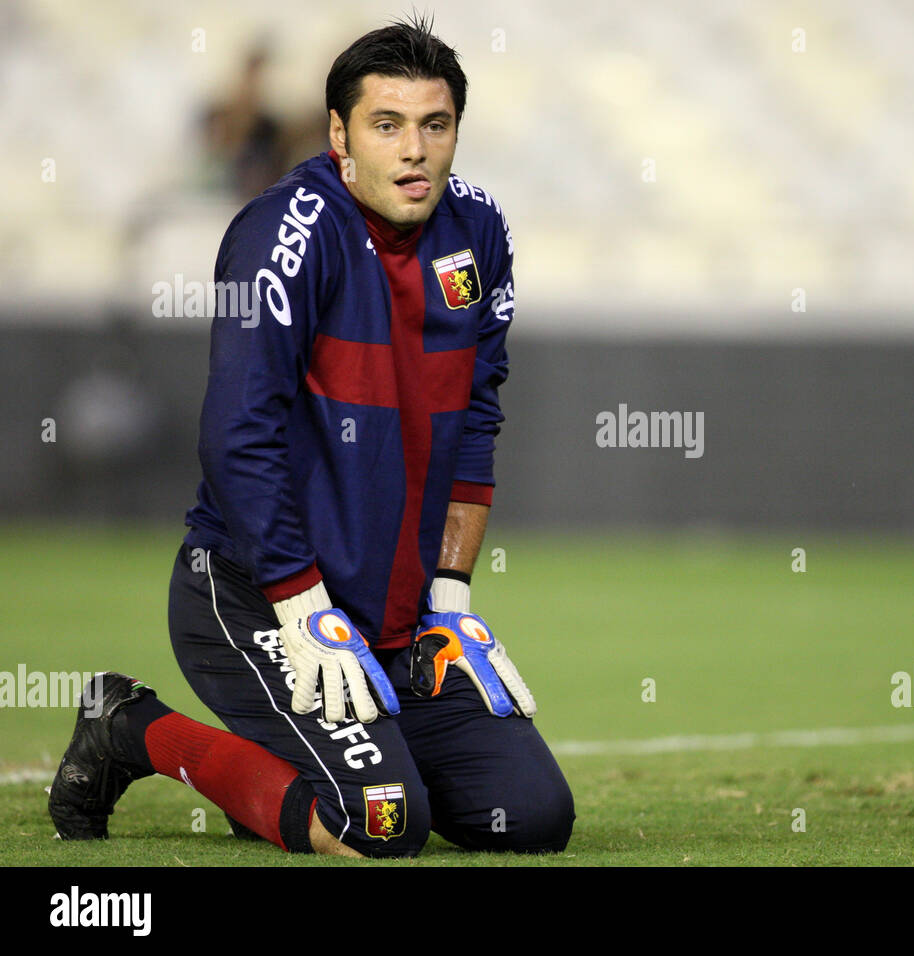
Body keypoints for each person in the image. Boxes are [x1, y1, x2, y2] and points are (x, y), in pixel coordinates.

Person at [48, 15, 574, 858]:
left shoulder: (480, 231)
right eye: (387, 125)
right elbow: (236, 434)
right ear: (339, 133)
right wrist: (300, 599)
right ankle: (132, 728)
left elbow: (475, 420)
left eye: (435, 126)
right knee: (383, 827)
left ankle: (314, 762)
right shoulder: (282, 233)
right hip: (259, 597)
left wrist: (450, 598)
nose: (414, 151)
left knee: (534, 819)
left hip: (398, 622)